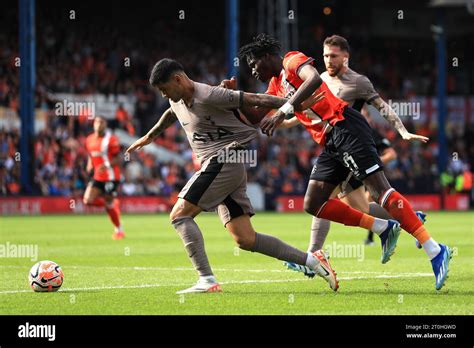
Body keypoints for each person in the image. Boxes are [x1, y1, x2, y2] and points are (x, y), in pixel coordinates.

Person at [237, 34, 451, 290]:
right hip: (330, 141)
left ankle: (435, 250)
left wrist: (284, 110)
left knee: (380, 193)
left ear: (268, 57)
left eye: (253, 63)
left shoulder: (292, 61)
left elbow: (313, 79)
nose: (252, 70)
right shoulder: (275, 85)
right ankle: (383, 227)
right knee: (313, 202)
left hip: (346, 126)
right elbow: (257, 111)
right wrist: (230, 97)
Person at [126, 58, 338, 294]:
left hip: (224, 160)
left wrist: (295, 104)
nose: (165, 95)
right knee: (245, 239)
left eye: (165, 89)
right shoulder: (178, 99)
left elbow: (255, 99)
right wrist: (150, 136)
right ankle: (312, 262)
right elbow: (171, 113)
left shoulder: (208, 94)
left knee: (179, 216)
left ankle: (206, 279)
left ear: (177, 79)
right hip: (226, 165)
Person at [84, 116, 125, 240]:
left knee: (108, 203)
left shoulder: (111, 140)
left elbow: (119, 159)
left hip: (111, 177)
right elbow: (91, 155)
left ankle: (119, 230)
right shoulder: (89, 139)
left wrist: (106, 165)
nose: (98, 124)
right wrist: (89, 165)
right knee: (87, 200)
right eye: (97, 122)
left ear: (105, 125)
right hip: (98, 176)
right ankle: (112, 204)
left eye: (101, 122)